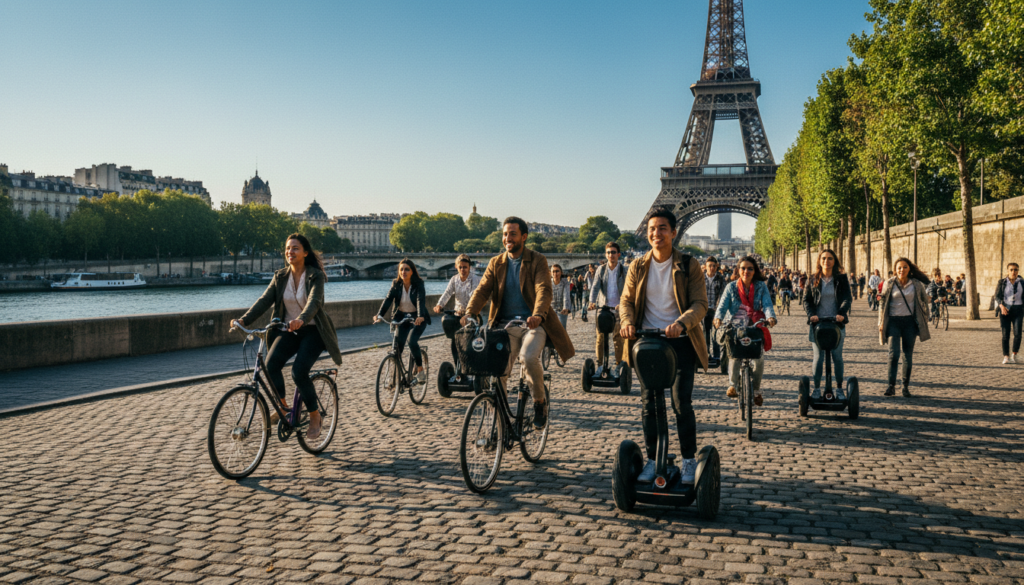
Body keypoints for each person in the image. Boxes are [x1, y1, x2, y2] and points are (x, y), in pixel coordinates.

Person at [619, 207, 708, 485]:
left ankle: (688, 459)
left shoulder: (689, 264)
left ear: (673, 232)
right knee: (650, 405)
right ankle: (652, 459)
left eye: (661, 228)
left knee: (681, 403)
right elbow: (625, 301)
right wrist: (627, 321)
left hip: (680, 342)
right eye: (651, 229)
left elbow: (700, 304)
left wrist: (682, 322)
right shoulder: (637, 266)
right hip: (647, 342)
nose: (656, 234)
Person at [463, 217, 575, 428]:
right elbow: (482, 291)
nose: (508, 238)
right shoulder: (496, 263)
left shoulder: (537, 260)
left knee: (528, 357)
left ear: (524, 237)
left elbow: (543, 288)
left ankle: (540, 402)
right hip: (504, 327)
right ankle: (501, 416)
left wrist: (539, 314)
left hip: (533, 324)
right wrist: (470, 313)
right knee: (498, 371)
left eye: (513, 234)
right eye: (505, 234)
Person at [233, 233, 343, 440]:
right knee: (271, 364)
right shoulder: (280, 276)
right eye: (287, 248)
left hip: (313, 331)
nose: (289, 252)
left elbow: (314, 302)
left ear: (305, 253)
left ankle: (314, 415)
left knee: (298, 372)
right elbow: (264, 300)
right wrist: (243, 320)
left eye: (295, 248)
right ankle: (284, 407)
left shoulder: (315, 275)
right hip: (288, 329)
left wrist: (302, 319)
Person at [714, 257, 778, 404]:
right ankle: (732, 385)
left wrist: (771, 317)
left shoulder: (761, 286)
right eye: (743, 268)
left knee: (759, 359)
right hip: (736, 326)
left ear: (754, 271)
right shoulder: (731, 287)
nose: (746, 271)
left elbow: (767, 305)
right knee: (734, 356)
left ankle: (756, 390)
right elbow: (722, 306)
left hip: (755, 326)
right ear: (738, 270)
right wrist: (718, 318)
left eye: (750, 268)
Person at [803, 250, 852, 400]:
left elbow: (846, 298)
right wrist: (811, 315)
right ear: (819, 261)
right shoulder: (813, 279)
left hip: (836, 323)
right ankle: (817, 388)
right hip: (818, 324)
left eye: (830, 258)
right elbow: (807, 300)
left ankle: (838, 388)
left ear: (834, 261)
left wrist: (842, 313)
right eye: (824, 258)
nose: (827, 261)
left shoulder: (841, 279)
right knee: (818, 357)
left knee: (837, 357)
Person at [878, 258, 931, 397]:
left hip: (910, 323)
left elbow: (924, 301)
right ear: (895, 269)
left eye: (905, 267)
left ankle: (905, 387)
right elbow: (882, 304)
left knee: (907, 355)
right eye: (899, 268)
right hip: (893, 322)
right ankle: (891, 386)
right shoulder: (889, 283)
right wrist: (880, 322)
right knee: (893, 354)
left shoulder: (917, 284)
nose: (901, 270)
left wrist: (924, 318)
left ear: (909, 269)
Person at [375, 259, 432, 383]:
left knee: (412, 341)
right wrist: (379, 315)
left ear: (412, 271)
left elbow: (419, 300)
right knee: (397, 347)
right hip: (401, 318)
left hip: (418, 318)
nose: (403, 272)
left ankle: (420, 371)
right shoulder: (396, 284)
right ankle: (396, 376)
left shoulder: (418, 284)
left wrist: (420, 315)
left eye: (407, 269)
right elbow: (388, 299)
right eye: (401, 269)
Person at [434, 254, 482, 364]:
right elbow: (447, 293)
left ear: (469, 267)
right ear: (456, 267)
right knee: (454, 340)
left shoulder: (475, 279)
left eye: (465, 267)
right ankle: (457, 366)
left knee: (469, 341)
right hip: (457, 314)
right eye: (460, 267)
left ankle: (471, 363)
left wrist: (468, 312)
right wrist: (439, 305)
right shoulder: (454, 279)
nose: (462, 270)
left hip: (471, 315)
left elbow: (475, 296)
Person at [589, 242, 627, 373]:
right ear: (606, 255)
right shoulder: (601, 269)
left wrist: (622, 304)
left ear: (618, 254)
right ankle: (600, 364)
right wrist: (592, 302)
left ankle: (618, 364)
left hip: (618, 309)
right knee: (600, 338)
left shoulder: (624, 270)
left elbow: (628, 289)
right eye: (609, 252)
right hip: (603, 309)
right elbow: (595, 287)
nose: (611, 255)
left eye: (613, 252)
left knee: (618, 339)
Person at [994, 262, 1023, 364]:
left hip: (1018, 310)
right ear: (1008, 271)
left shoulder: (1022, 282)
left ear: (1018, 271)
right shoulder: (1002, 282)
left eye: (1015, 269)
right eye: (1011, 269)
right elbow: (997, 296)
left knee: (1018, 334)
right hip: (1005, 310)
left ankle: (1014, 355)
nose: (1013, 272)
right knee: (1005, 335)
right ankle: (1006, 356)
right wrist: (1001, 306)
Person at [702, 256, 727, 367]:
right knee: (705, 333)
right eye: (709, 266)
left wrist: (720, 310)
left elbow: (723, 295)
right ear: (705, 267)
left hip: (715, 309)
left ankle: (716, 356)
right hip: (703, 309)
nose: (712, 268)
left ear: (717, 267)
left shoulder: (720, 278)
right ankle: (706, 354)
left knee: (716, 333)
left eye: (714, 266)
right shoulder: (700, 278)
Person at [550, 263, 572, 329]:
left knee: (562, 329)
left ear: (561, 272)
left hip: (562, 310)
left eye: (557, 271)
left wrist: (565, 307)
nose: (555, 273)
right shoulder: (548, 283)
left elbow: (566, 294)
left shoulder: (565, 282)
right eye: (553, 271)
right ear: (551, 273)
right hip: (551, 310)